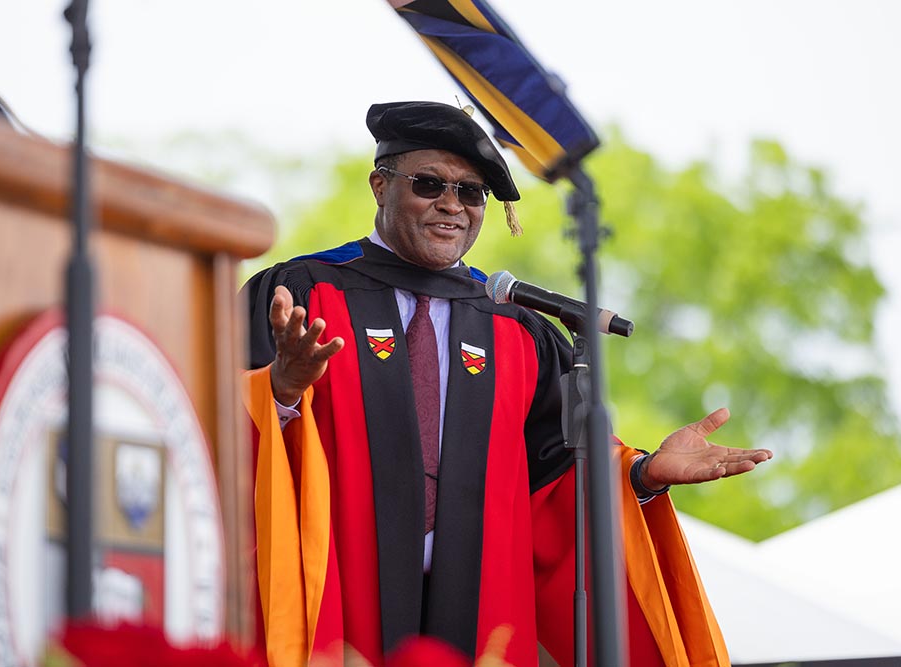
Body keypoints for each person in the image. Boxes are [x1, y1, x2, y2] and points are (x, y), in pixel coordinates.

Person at [241, 100, 773, 667]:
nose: (451, 204)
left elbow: (554, 478)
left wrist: (640, 473)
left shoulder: (520, 331)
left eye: (472, 192)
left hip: (476, 610)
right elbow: (211, 433)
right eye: (429, 184)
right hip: (335, 597)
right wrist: (280, 390)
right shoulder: (303, 292)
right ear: (379, 185)